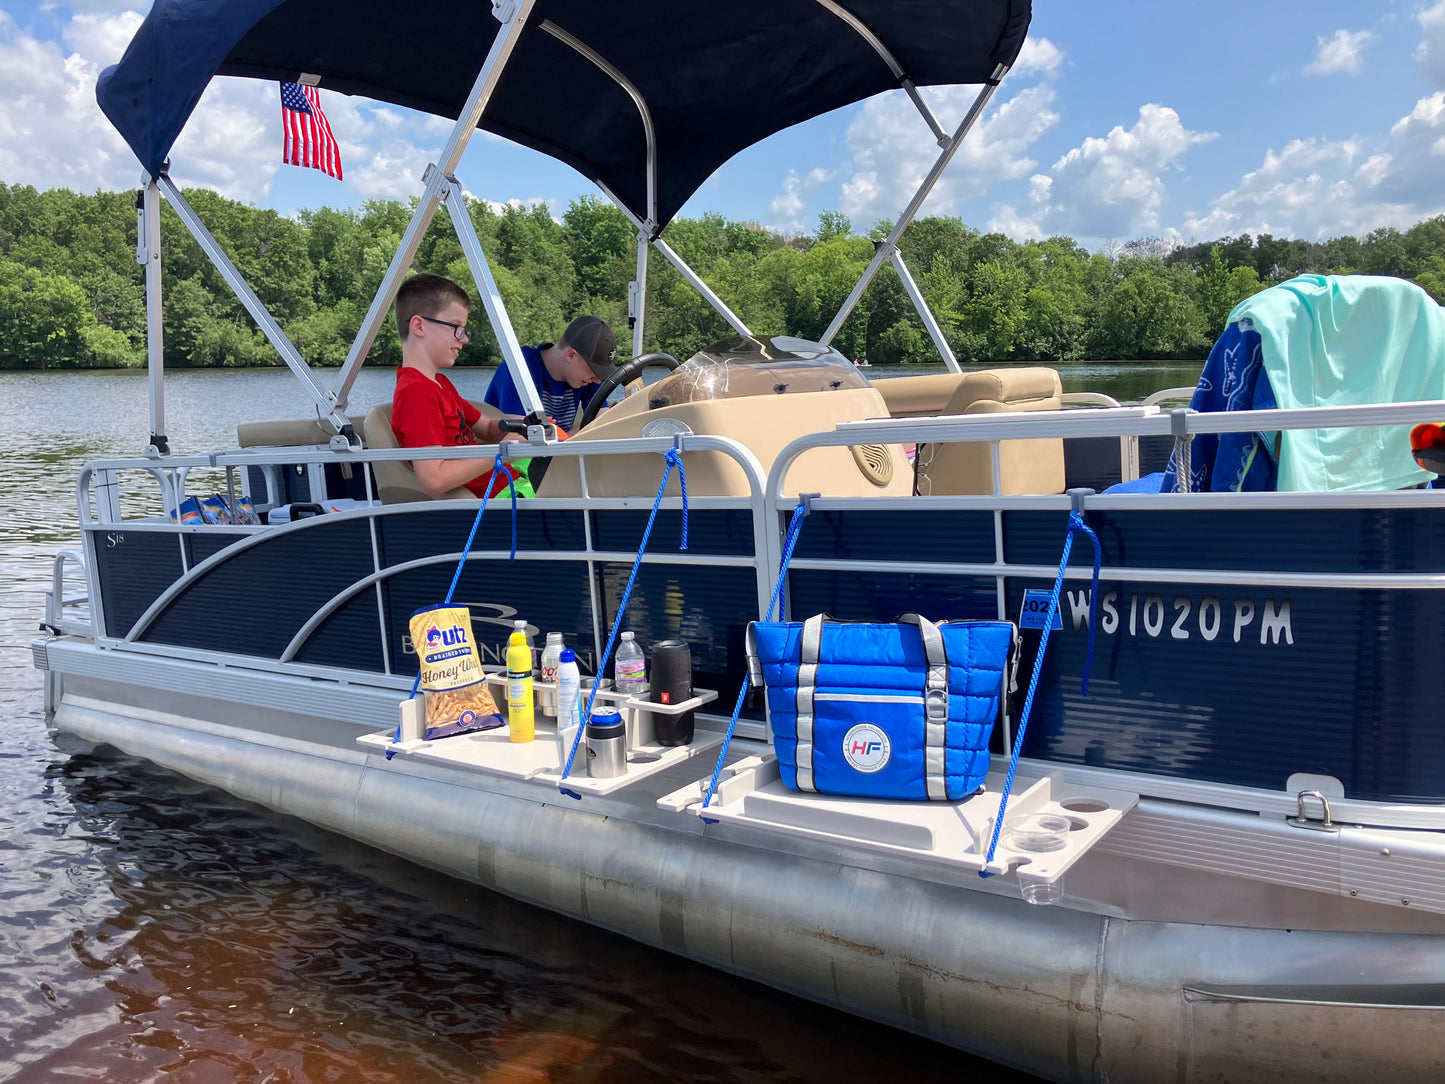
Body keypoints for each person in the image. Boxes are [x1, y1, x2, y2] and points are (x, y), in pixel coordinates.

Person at [389, 272, 519, 499]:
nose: (464, 339)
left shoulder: (439, 384)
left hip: (511, 486)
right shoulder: (416, 393)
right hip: (504, 500)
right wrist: (504, 450)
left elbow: (487, 428)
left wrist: (520, 426)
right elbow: (434, 479)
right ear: (419, 326)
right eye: (456, 327)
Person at [483, 315, 619, 434]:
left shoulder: (585, 377)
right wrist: (581, 434)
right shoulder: (520, 368)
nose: (597, 380)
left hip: (554, 458)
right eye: (595, 370)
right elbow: (517, 437)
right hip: (510, 460)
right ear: (571, 355)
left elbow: (603, 422)